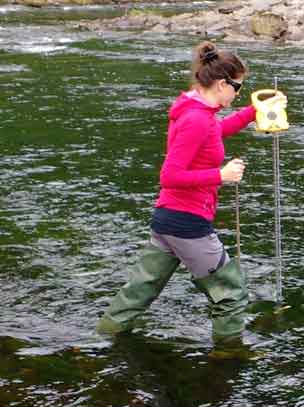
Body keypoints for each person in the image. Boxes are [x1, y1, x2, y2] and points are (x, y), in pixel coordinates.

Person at [96, 41, 285, 345]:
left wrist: (255, 111)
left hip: (167, 221)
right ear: (222, 83)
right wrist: (220, 175)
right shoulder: (197, 118)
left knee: (139, 292)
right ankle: (228, 357)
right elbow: (169, 176)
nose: (238, 94)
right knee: (231, 293)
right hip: (188, 223)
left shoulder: (197, 111)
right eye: (238, 87)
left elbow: (215, 133)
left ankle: (100, 342)